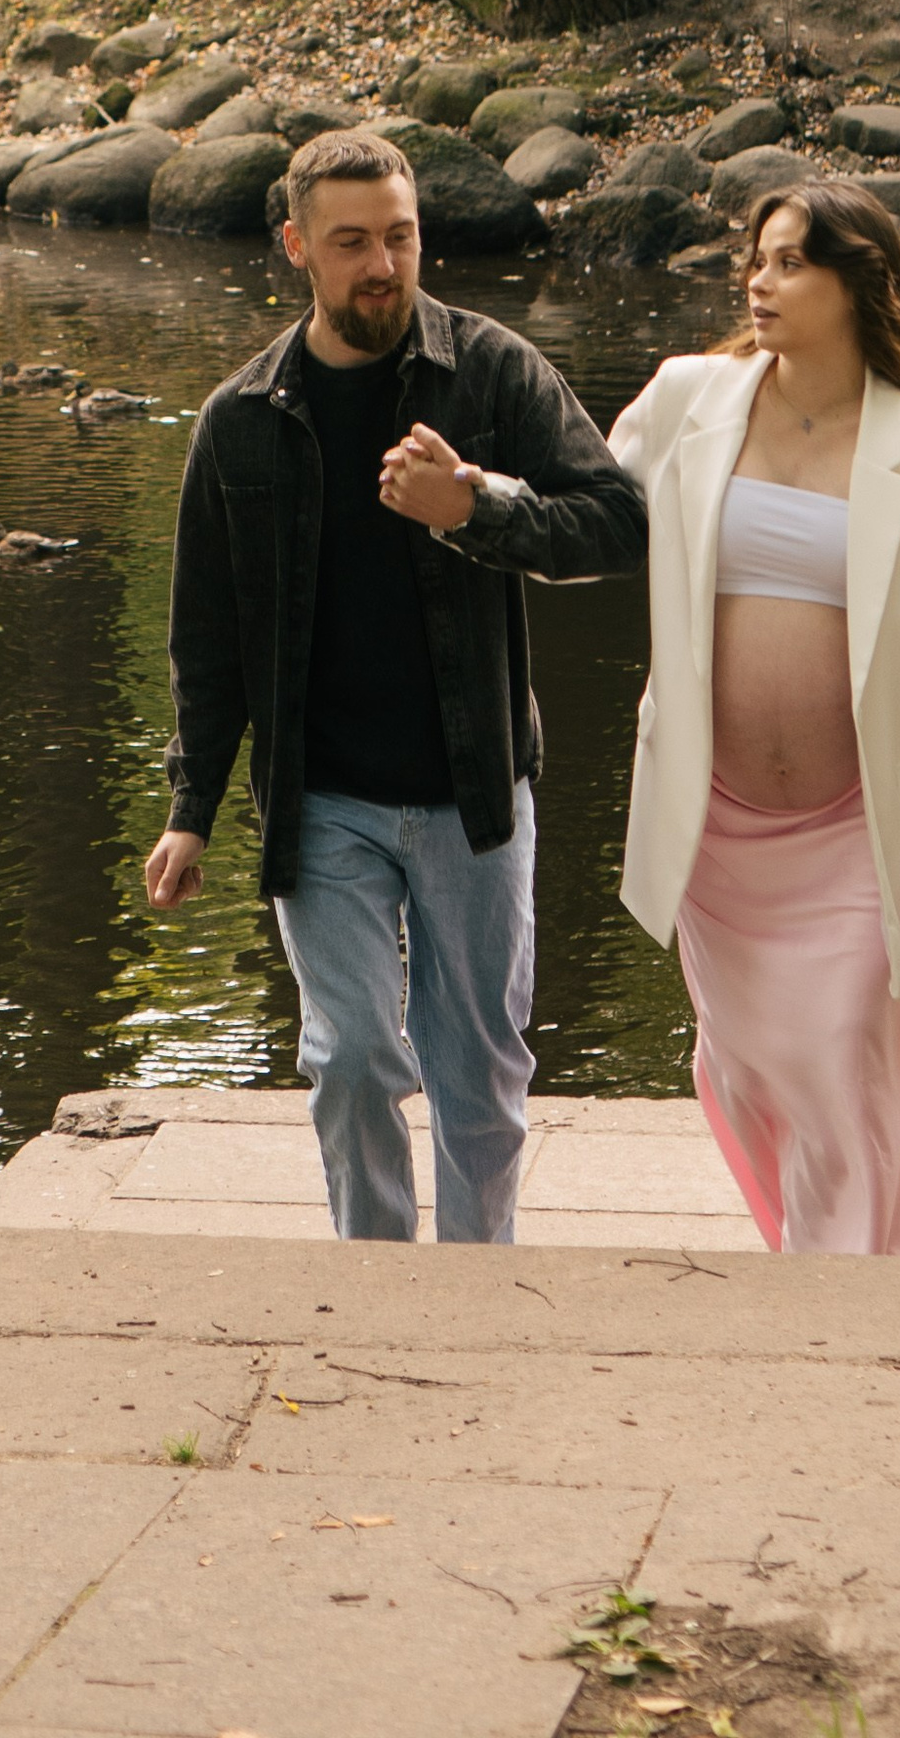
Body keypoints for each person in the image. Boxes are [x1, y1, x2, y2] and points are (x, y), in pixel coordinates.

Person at [144, 128, 650, 1245]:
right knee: (357, 1055)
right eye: (353, 242)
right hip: (322, 801)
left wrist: (479, 512)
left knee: (478, 1075)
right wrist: (192, 809)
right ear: (296, 248)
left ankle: (475, 1287)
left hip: (475, 794)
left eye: (402, 237)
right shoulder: (240, 420)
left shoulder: (491, 371)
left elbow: (620, 526)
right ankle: (373, 1286)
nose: (383, 265)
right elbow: (208, 635)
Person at [609, 180, 900, 1257]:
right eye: (757, 258)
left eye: (788, 262)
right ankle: (811, 1261)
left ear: (856, 284)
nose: (758, 281)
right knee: (747, 1073)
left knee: (835, 1062)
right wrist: (475, 502)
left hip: (854, 831)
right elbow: (585, 513)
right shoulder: (691, 399)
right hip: (717, 828)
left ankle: (838, 1298)